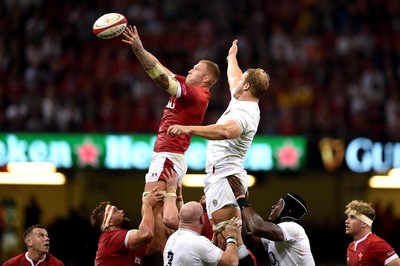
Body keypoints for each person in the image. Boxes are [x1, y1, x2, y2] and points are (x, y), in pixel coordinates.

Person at [122, 25, 220, 261]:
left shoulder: (195, 94)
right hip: (170, 157)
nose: (190, 69)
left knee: (155, 218)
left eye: (196, 68)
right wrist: (140, 46)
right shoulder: (190, 88)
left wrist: (137, 48)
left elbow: (159, 78)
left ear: (206, 78)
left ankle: (174, 260)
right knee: (158, 223)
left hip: (167, 156)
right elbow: (161, 68)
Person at [167, 39, 270, 247]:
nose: (237, 81)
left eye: (243, 80)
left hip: (226, 178)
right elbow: (234, 75)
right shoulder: (241, 99)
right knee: (223, 239)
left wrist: (189, 129)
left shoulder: (246, 113)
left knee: (230, 241)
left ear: (247, 86)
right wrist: (231, 57)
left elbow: (225, 131)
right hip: (220, 176)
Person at [228, 176, 315, 266]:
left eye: (278, 204)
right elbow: (247, 238)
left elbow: (257, 227)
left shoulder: (294, 228)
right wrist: (236, 205)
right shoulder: (277, 235)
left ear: (288, 210)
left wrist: (241, 199)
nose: (273, 207)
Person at [90, 187, 163, 265]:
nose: (121, 211)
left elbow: (156, 243)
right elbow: (146, 234)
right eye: (115, 211)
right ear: (109, 222)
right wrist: (147, 205)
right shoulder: (110, 239)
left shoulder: (121, 243)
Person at [163, 201, 249, 265]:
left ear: (179, 217)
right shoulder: (198, 241)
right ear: (201, 219)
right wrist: (231, 237)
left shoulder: (172, 239)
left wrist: (213, 242)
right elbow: (232, 263)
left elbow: (197, 255)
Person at [344, 200, 400, 266]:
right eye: (348, 217)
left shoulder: (375, 243)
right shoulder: (351, 247)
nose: (346, 221)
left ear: (364, 223)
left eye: (352, 217)